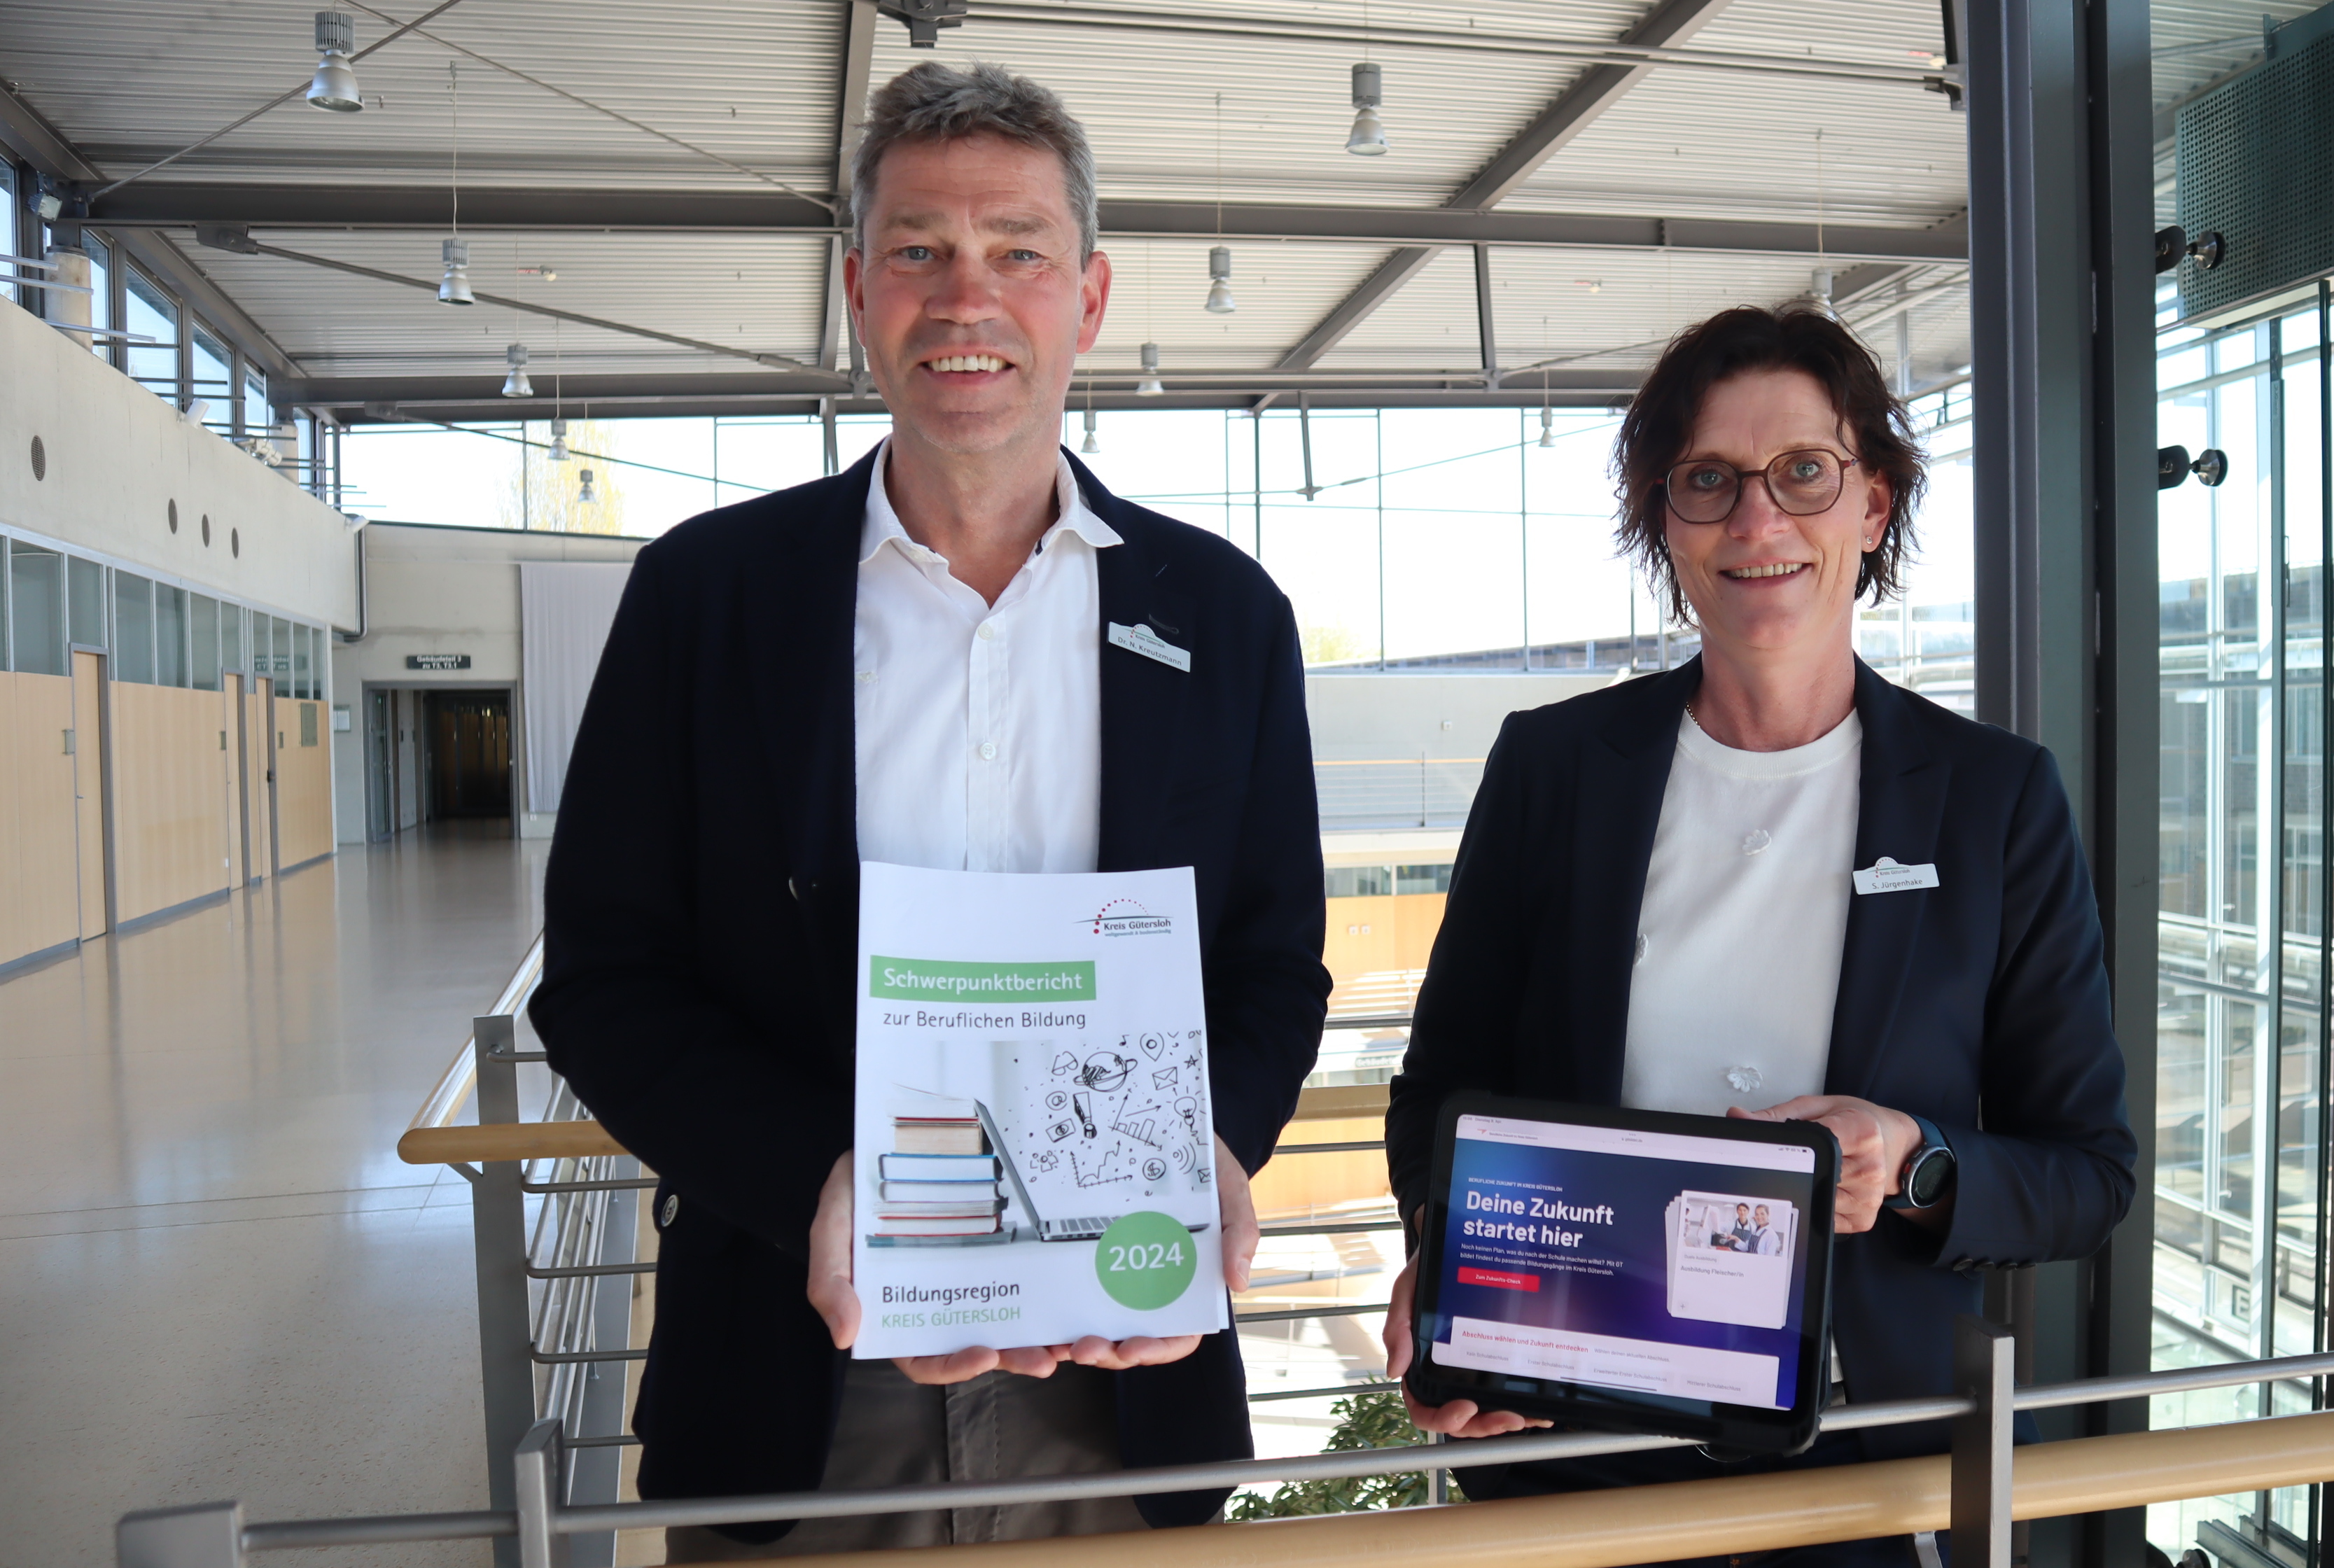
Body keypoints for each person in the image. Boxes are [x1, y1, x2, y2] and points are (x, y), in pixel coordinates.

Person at [531, 61, 1329, 1560]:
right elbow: (606, 979)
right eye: (919, 250)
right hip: (796, 1374)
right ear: (857, 290)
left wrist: (1210, 1148)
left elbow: (1274, 964)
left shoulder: (1226, 616)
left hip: (1124, 1379)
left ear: (1088, 297)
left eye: (1018, 251)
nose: (968, 298)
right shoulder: (706, 599)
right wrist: (817, 1185)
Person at [1381, 303, 2135, 1567]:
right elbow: (1442, 1086)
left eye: (1803, 473)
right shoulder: (1553, 768)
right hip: (1575, 1432)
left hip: (1857, 1471)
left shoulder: (1994, 799)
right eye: (1708, 481)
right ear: (1664, 522)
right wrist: (1444, 1255)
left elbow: (2087, 1174)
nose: (1756, 519)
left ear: (1873, 506)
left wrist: (1915, 1162)